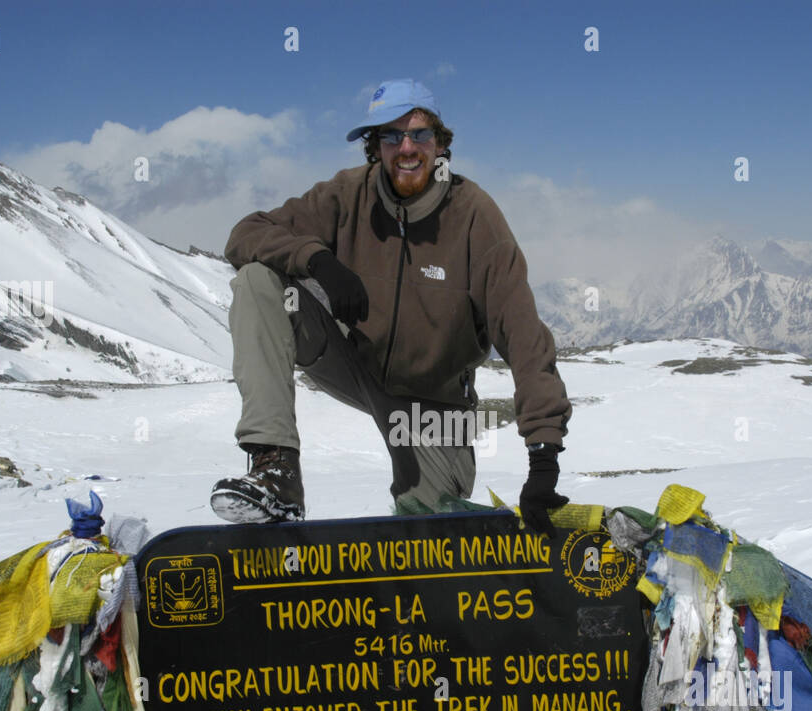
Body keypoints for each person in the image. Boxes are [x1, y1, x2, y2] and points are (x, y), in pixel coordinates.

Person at [213, 78, 571, 534]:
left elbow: (523, 333)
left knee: (432, 525)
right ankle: (276, 469)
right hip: (356, 363)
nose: (406, 147)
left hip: (433, 405)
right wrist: (317, 259)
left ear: (440, 143)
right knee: (258, 281)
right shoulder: (347, 194)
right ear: (374, 146)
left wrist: (543, 456)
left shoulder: (475, 216)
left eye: (419, 134)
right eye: (390, 135)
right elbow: (246, 234)